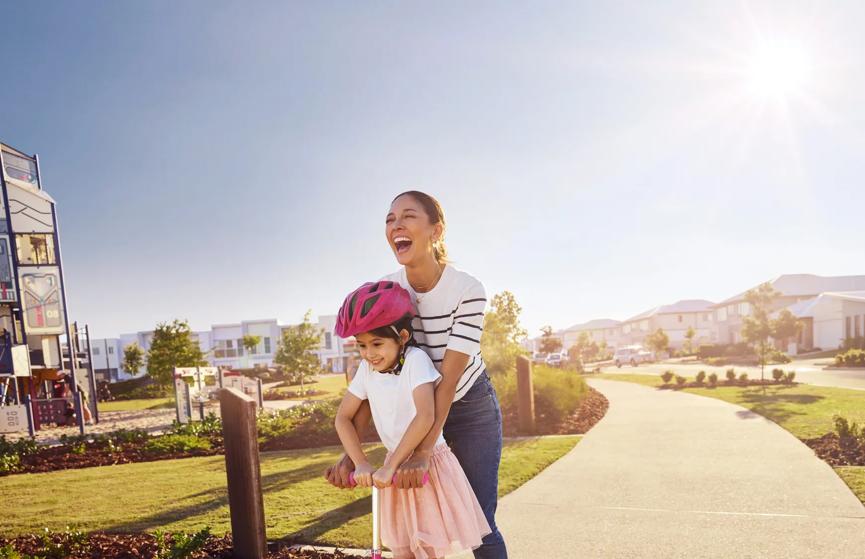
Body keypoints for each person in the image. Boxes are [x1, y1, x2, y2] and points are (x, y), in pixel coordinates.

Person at [327, 191, 508, 558]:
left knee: (480, 522)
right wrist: (353, 454)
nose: (396, 225)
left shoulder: (467, 290)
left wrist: (425, 450)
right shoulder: (388, 290)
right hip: (418, 411)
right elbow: (376, 373)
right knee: (414, 534)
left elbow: (449, 377)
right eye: (390, 219)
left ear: (436, 231)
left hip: (467, 405)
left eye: (408, 217)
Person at [334, 281, 490, 559]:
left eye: (377, 343)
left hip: (425, 467)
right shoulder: (367, 371)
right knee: (402, 551)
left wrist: (391, 464)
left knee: (427, 551)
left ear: (402, 336)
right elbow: (343, 418)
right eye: (361, 346)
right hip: (392, 471)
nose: (369, 353)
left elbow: (426, 415)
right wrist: (360, 462)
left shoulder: (416, 361)